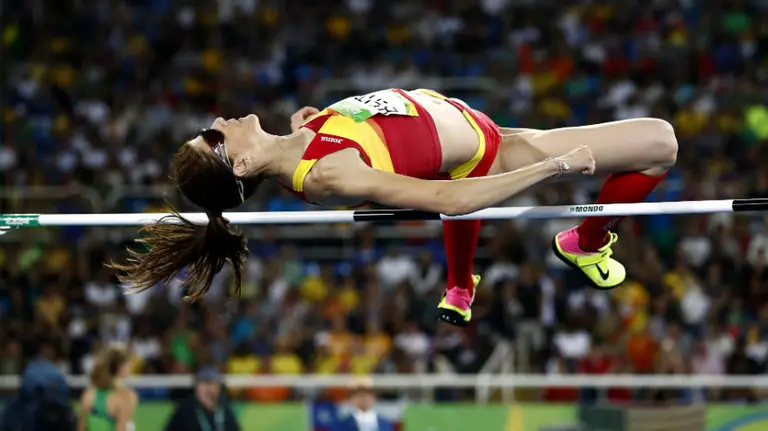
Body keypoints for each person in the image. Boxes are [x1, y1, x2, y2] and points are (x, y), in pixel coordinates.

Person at [111, 88, 677, 326]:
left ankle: (578, 245)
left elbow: (380, 124)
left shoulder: (303, 136)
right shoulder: (327, 172)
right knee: (659, 144)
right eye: (210, 140)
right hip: (498, 152)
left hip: (487, 126)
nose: (215, 125)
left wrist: (313, 124)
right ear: (237, 167)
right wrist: (555, 168)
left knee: (658, 143)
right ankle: (584, 240)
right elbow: (452, 200)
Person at [77, 347, 138, 431]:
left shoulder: (89, 394)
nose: (130, 366)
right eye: (128, 363)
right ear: (120, 366)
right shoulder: (126, 396)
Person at [164, 367, 240, 431]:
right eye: (205, 384)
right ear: (196, 387)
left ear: (219, 388)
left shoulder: (225, 410)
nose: (209, 389)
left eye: (213, 384)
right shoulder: (184, 411)